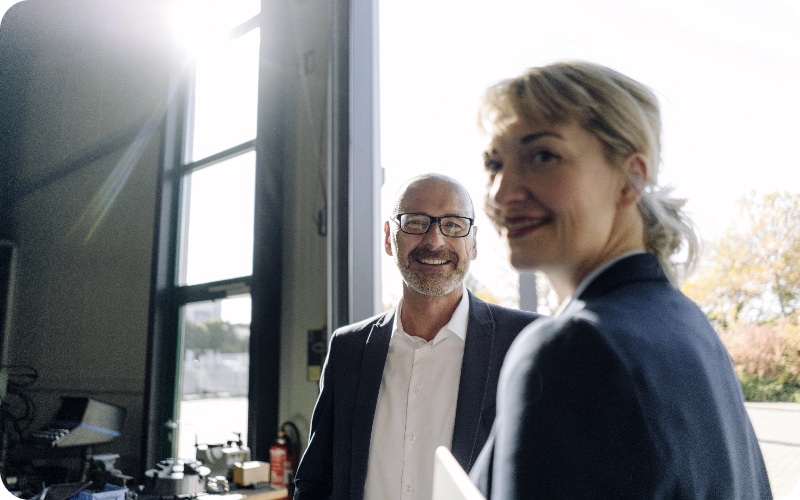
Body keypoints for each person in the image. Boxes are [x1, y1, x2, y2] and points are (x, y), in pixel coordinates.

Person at [468, 61, 771, 499]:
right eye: (494, 163)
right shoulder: (687, 325)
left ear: (631, 179)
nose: (501, 192)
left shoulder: (572, 348)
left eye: (542, 156)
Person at [293, 174, 542, 500]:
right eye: (415, 222)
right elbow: (315, 481)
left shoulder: (527, 342)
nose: (435, 240)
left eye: (453, 224)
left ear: (474, 242)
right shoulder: (349, 349)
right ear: (388, 238)